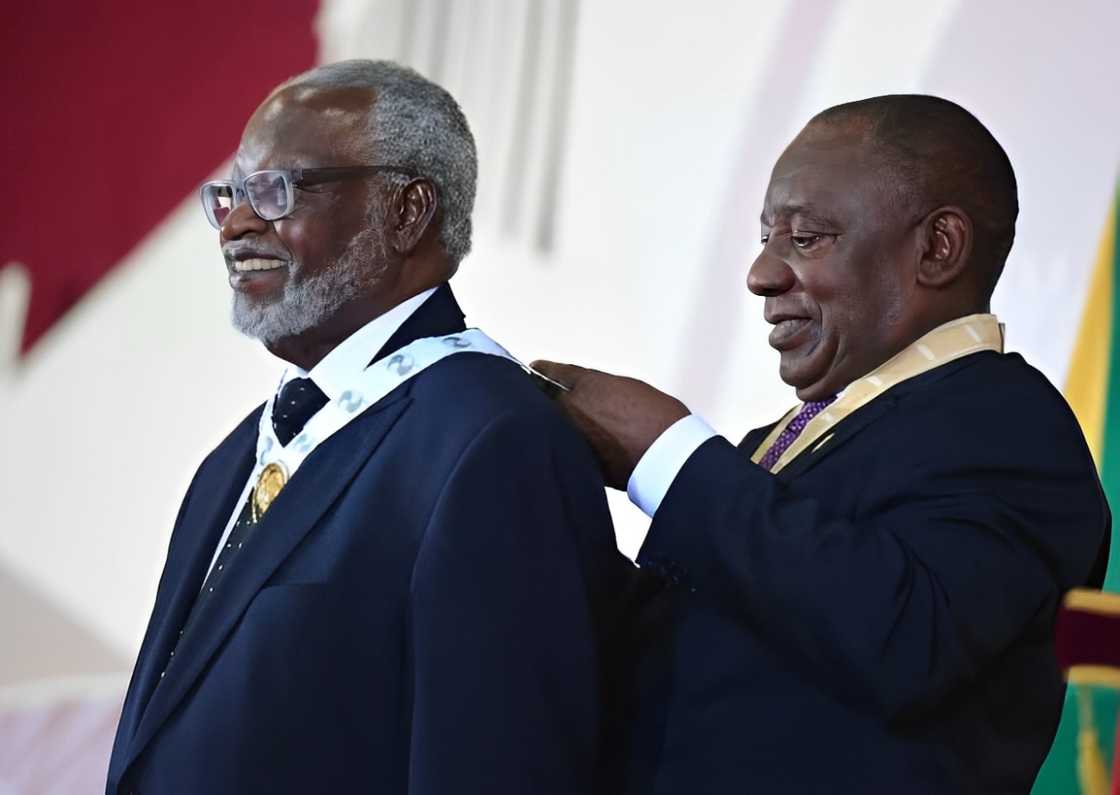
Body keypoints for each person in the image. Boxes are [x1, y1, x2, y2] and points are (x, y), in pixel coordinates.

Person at [534, 94, 1111, 793]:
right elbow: (716, 650)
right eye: (766, 236)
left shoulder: (1013, 429)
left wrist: (669, 457)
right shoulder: (794, 433)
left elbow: (904, 641)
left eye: (805, 238)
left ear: (938, 248)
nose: (762, 274)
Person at [106, 59, 634, 795]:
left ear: (405, 211)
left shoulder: (492, 442)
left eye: (275, 189)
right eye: (229, 194)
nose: (235, 223)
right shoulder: (234, 457)